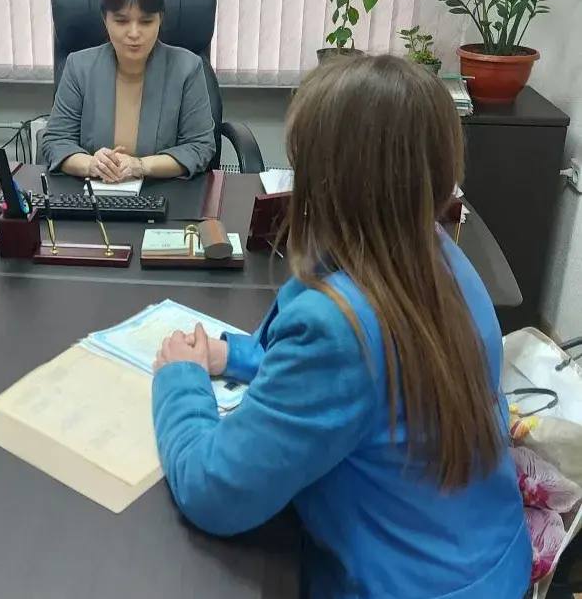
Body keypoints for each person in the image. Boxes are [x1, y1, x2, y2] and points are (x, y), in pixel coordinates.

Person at [152, 55, 531, 598]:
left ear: (329, 179)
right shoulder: (440, 257)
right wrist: (235, 355)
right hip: (487, 566)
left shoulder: (337, 325)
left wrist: (181, 380)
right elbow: (377, 382)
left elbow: (214, 492)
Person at [42, 0, 216, 180]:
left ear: (160, 19)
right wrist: (92, 165)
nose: (134, 33)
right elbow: (56, 142)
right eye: (121, 21)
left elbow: (200, 147)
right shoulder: (79, 67)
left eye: (146, 21)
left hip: (163, 190)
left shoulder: (187, 68)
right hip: (92, 192)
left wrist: (141, 166)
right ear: (105, 20)